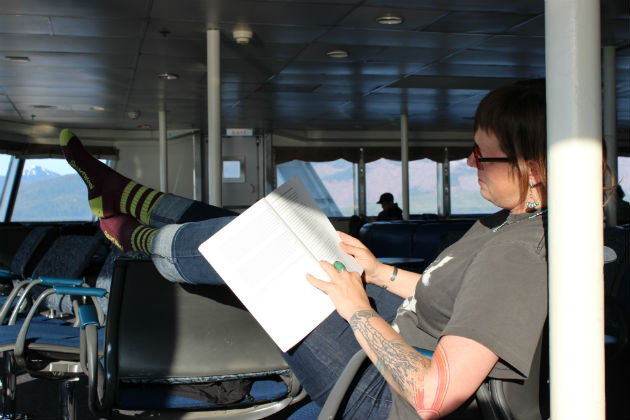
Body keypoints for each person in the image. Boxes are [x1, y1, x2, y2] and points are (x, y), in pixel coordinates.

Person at [59, 81, 551, 420]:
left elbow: (431, 395)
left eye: (482, 155)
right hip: (404, 327)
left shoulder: (520, 254)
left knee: (256, 248)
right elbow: (462, 302)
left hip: (387, 395)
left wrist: (357, 310)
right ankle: (131, 206)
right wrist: (379, 274)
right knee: (268, 229)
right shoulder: (509, 224)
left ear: (531, 168)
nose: (470, 162)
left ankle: (136, 237)